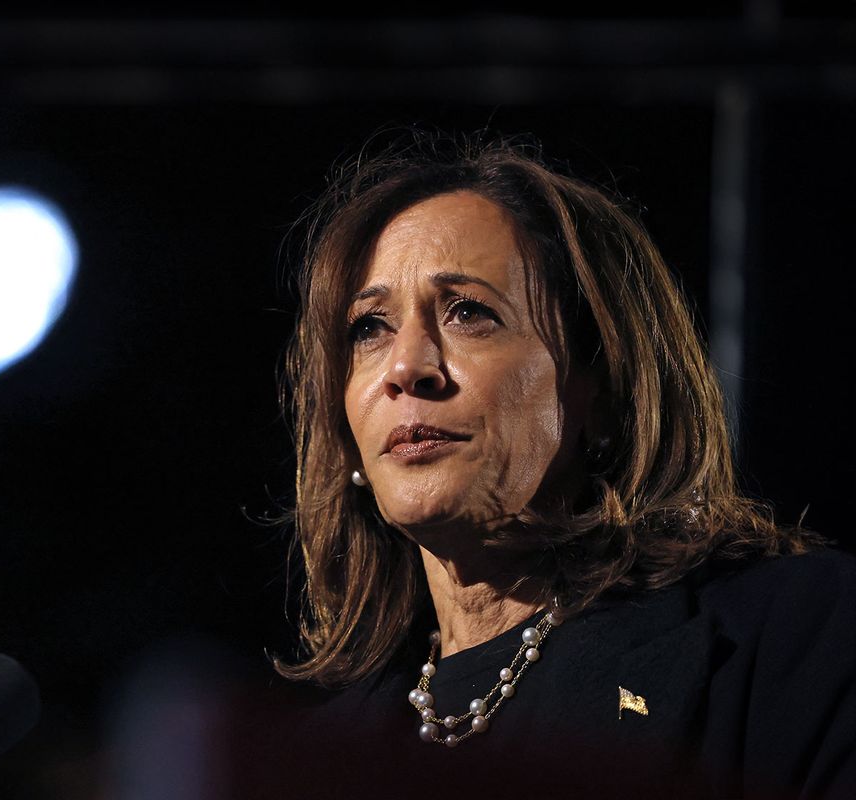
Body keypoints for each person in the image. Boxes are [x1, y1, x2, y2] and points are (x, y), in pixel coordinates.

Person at [247, 134, 856, 799]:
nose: (405, 368)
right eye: (369, 327)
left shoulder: (791, 636)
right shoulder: (315, 758)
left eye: (468, 312)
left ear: (601, 386)